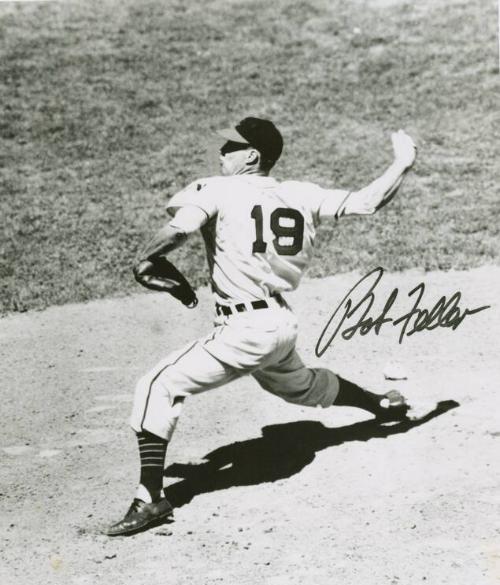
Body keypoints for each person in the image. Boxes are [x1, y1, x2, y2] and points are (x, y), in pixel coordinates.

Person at [106, 116, 417, 536]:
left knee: (157, 385)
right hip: (280, 324)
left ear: (251, 155)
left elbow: (179, 228)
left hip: (245, 331)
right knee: (301, 386)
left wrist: (143, 260)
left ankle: (150, 498)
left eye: (230, 147)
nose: (221, 153)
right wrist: (402, 161)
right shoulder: (301, 194)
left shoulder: (216, 188)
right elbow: (367, 201)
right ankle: (380, 405)